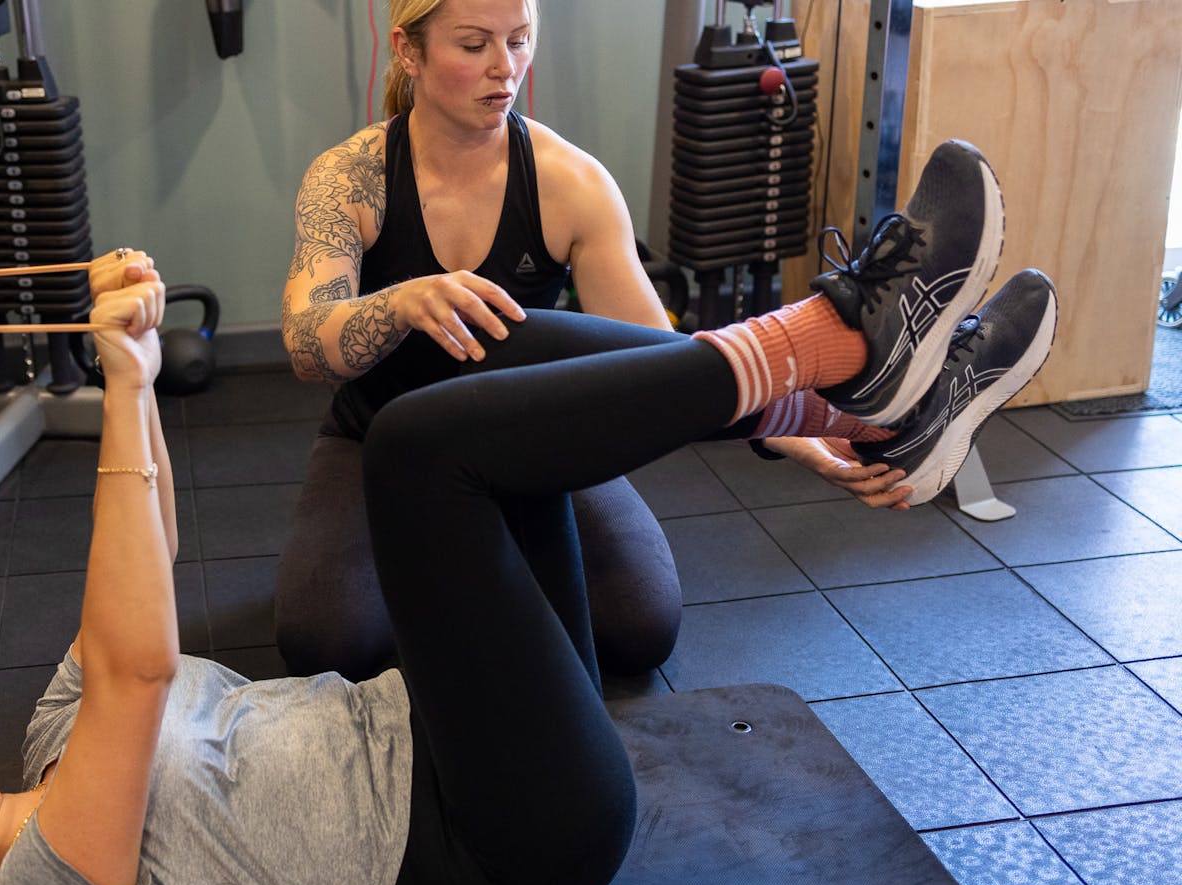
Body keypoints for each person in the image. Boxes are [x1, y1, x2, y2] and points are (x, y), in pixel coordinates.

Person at [0, 138, 1055, 885]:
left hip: (480, 730)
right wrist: (121, 380)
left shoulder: (54, 747)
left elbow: (146, 576)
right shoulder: (53, 884)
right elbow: (139, 662)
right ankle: (826, 343)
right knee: (413, 457)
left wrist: (137, 367)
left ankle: (858, 408)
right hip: (508, 834)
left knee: (458, 343)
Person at [274, 0, 915, 682]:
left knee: (638, 627)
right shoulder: (350, 178)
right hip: (379, 436)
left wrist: (796, 435)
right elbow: (308, 344)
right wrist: (402, 302)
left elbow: (652, 366)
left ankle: (815, 392)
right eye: (474, 45)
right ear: (408, 51)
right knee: (329, 644)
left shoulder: (567, 180)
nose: (505, 67)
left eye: (520, 41)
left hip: (530, 432)